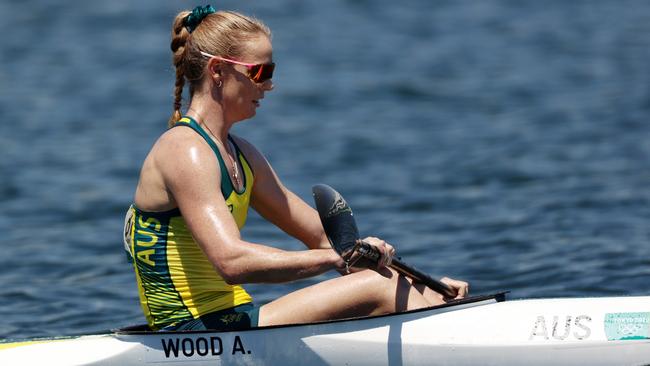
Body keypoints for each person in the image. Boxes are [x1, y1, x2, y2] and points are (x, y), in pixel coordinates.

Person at [124, 5, 469, 332]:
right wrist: (334, 261)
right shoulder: (185, 151)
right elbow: (230, 262)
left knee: (392, 284)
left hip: (235, 320)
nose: (269, 85)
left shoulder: (243, 154)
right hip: (191, 332)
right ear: (217, 71)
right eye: (260, 72)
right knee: (380, 288)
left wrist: (423, 284)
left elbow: (322, 238)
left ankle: (449, 313)